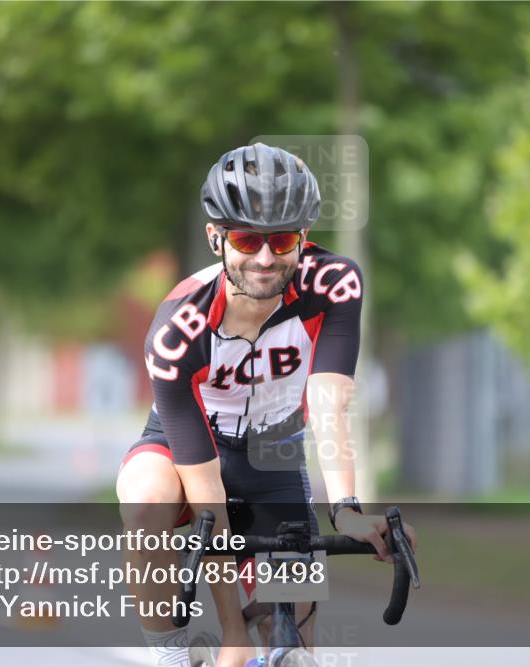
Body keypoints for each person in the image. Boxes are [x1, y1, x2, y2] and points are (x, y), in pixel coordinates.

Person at [116, 142, 414, 667]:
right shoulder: (176, 334)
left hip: (274, 452)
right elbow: (206, 491)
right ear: (216, 238)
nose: (264, 258)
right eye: (247, 239)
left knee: (294, 652)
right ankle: (169, 658)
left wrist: (345, 510)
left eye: (280, 240)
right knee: (146, 502)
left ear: (302, 238)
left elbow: (328, 403)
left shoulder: (334, 283)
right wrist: (232, 627)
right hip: (186, 450)